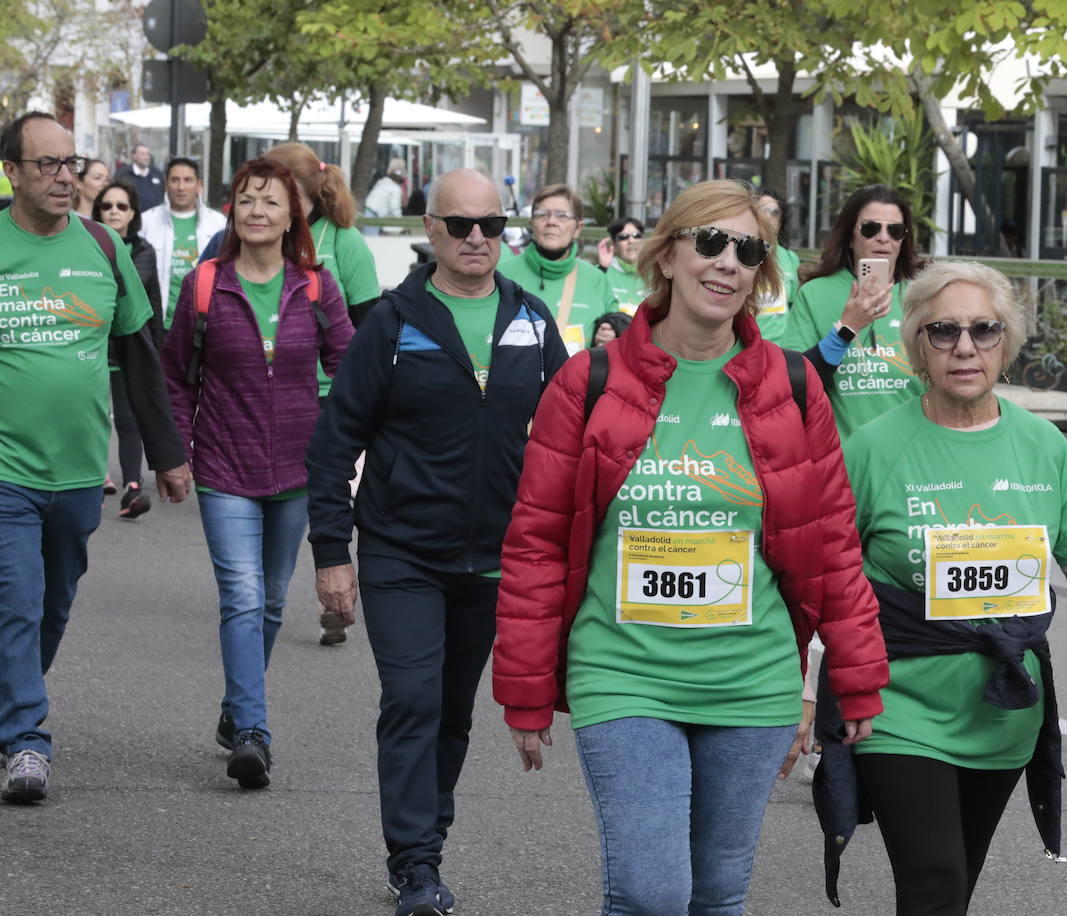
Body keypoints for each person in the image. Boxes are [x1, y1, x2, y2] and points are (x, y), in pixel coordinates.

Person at [492, 179, 889, 915]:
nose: (727, 262)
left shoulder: (797, 389)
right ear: (666, 255)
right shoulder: (590, 383)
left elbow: (833, 543)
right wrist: (523, 687)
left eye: (748, 250)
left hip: (752, 682)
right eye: (709, 241)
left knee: (716, 896)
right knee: (651, 893)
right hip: (624, 673)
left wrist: (858, 679)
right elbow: (537, 543)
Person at [828, 260, 1067, 914]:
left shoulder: (1042, 446)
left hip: (1003, 709)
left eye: (983, 330)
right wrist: (809, 692)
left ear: (1007, 341)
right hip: (899, 707)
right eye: (943, 331)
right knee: (935, 881)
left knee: (952, 888)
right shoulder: (872, 449)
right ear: (917, 343)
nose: (964, 347)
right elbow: (825, 575)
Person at [308, 168, 567, 916]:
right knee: (414, 699)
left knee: (453, 711)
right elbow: (333, 445)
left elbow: (571, 439)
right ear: (431, 229)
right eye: (461, 225)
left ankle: (429, 842)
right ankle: (415, 863)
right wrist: (332, 553)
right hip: (402, 551)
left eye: (492, 224)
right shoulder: (393, 323)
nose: (478, 238)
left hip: (496, 557)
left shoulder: (531, 318)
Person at [0, 112, 190, 804]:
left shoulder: (105, 248)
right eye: (46, 164)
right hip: (5, 471)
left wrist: (168, 456)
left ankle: (9, 708)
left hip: (82, 471)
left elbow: (144, 360)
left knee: (52, 604)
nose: (63, 176)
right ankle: (27, 738)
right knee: (15, 602)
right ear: (12, 171)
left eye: (70, 163)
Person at [160, 157, 353, 789]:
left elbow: (350, 368)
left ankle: (234, 707)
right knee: (242, 597)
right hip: (223, 465)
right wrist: (179, 451)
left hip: (297, 469)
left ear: (292, 212)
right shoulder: (205, 283)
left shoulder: (317, 285)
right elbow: (174, 375)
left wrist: (346, 444)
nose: (257, 212)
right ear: (232, 212)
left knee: (271, 602)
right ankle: (252, 731)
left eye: (270, 201)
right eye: (246, 201)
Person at [200, 142, 382, 646]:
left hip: (329, 398)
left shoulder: (344, 243)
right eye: (252, 198)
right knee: (252, 571)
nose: (263, 207)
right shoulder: (240, 244)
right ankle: (257, 596)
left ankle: (332, 587)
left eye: (280, 196)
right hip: (262, 394)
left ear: (302, 199)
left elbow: (367, 325)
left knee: (329, 501)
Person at [782, 184, 925, 440]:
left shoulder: (923, 296)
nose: (883, 238)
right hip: (843, 463)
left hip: (910, 459)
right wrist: (846, 329)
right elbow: (792, 386)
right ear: (850, 237)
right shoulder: (814, 294)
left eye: (895, 230)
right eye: (870, 229)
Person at [93, 178, 164, 519]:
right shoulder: (84, 247)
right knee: (88, 415)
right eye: (106, 206)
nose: (113, 212)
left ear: (133, 213)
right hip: (89, 347)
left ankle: (132, 487)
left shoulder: (143, 250)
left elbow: (135, 294)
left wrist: (158, 351)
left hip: (125, 348)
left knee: (126, 418)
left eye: (121, 206)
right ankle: (91, 479)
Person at [497, 182, 616, 354]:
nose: (551, 221)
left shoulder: (597, 280)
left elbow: (617, 332)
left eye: (562, 215)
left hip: (576, 380)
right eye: (542, 214)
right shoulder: (502, 275)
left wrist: (610, 335)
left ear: (577, 229)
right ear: (531, 224)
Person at [141, 156, 226, 325]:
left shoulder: (218, 223)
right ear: (166, 184)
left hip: (203, 322)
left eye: (188, 180)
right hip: (160, 322)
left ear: (199, 185)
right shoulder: (146, 221)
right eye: (175, 180)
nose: (181, 187)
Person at [753, 187, 800, 342]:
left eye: (775, 212)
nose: (769, 216)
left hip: (781, 350)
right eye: (763, 210)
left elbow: (794, 306)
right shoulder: (740, 252)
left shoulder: (790, 258)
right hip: (747, 346)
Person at [597, 216, 648, 310]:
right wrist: (602, 268)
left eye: (637, 235)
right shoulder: (600, 271)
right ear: (613, 244)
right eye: (623, 237)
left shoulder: (655, 273)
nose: (631, 241)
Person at [114, 142, 165, 211]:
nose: (146, 157)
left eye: (148, 154)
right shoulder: (123, 174)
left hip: (154, 218)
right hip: (132, 218)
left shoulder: (157, 173)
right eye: (143, 154)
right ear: (134, 156)